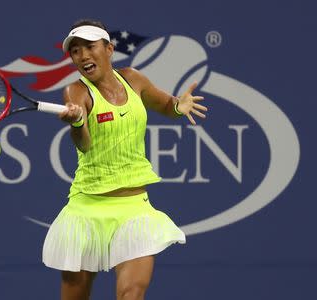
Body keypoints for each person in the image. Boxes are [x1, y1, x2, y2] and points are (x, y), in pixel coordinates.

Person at [43, 19, 207, 300]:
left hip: (135, 211)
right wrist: (77, 123)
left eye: (89, 47)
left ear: (109, 49)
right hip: (86, 212)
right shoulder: (76, 92)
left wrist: (179, 106)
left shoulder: (133, 78)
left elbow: (166, 105)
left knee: (131, 293)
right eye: (75, 51)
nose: (82, 56)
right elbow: (83, 144)